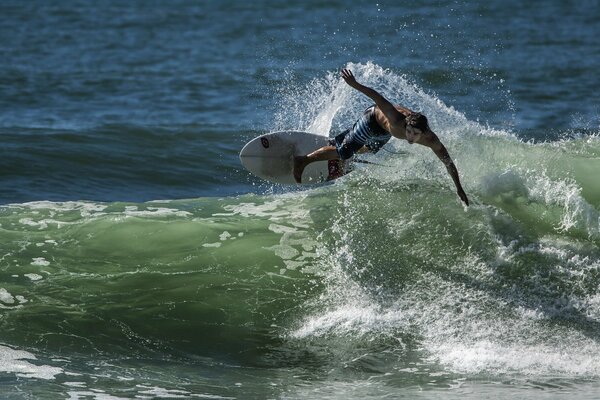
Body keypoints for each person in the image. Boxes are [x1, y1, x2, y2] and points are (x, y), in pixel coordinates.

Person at [293, 69, 469, 206]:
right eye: (409, 131)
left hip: (385, 132)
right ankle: (304, 160)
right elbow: (376, 97)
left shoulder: (430, 139)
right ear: (406, 124)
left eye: (415, 134)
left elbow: (448, 162)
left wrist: (459, 188)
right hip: (372, 120)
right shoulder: (395, 117)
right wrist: (354, 84)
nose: (410, 137)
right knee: (346, 153)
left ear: (424, 133)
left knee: (369, 150)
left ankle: (342, 144)